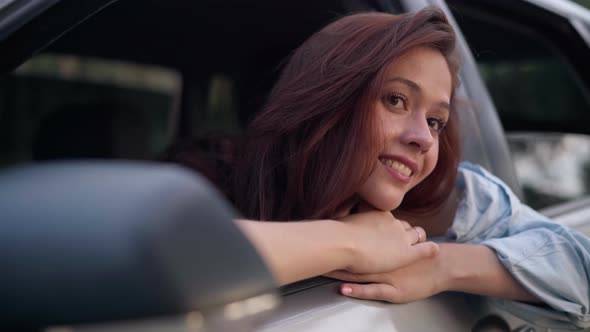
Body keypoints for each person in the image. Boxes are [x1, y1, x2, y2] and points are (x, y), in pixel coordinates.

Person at [167, 7, 590, 329]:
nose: (424, 138)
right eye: (396, 100)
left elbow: (582, 266)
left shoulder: (453, 199)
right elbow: (162, 256)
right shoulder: (205, 180)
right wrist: (349, 241)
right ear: (325, 100)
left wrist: (441, 265)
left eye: (435, 121)